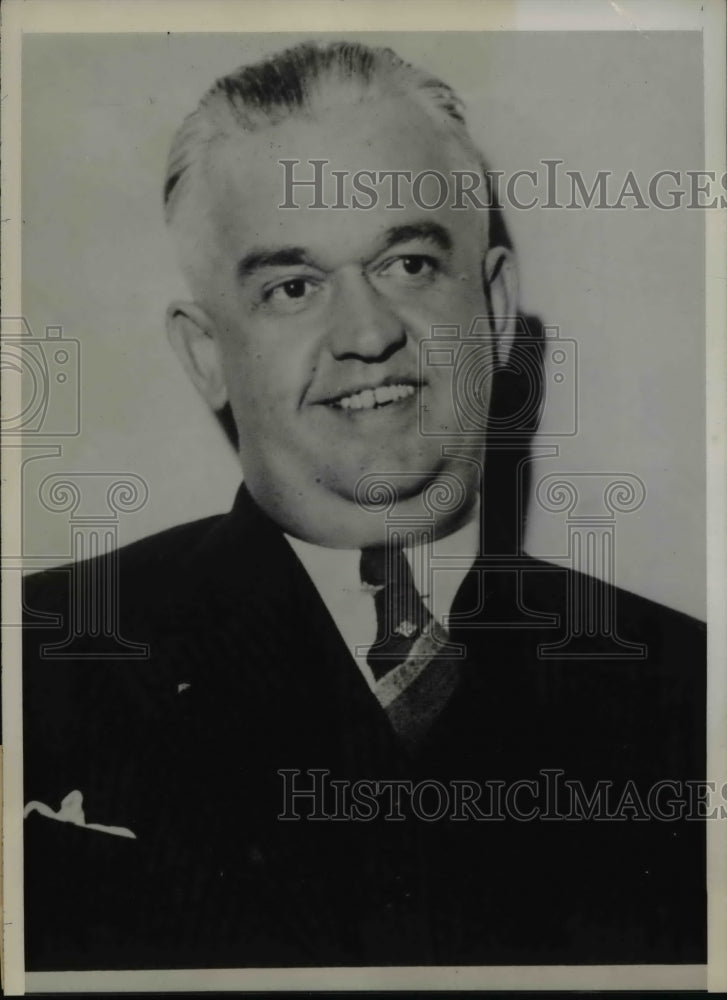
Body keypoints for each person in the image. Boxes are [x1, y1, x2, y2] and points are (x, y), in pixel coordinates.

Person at [22, 40, 706, 971]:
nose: (367, 333)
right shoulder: (37, 658)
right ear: (207, 355)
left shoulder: (692, 691)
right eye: (292, 287)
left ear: (495, 308)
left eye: (408, 265)